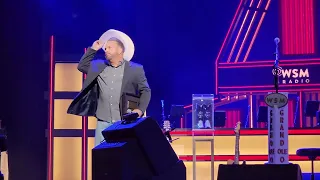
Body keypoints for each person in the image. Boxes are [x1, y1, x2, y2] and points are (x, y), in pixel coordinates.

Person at [67, 29, 151, 146]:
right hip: (103, 122)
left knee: (123, 158)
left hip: (124, 122)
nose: (106, 50)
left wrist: (140, 110)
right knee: (101, 159)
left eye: (109, 47)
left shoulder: (135, 69)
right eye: (105, 48)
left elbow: (146, 91)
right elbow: (82, 66)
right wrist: (93, 49)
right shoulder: (98, 66)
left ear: (120, 50)